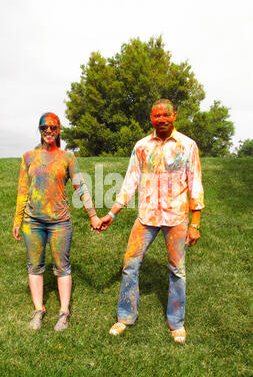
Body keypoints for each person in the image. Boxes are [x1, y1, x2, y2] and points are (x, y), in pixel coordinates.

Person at [98, 99, 204, 343]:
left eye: (166, 115)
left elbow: (195, 183)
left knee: (177, 270)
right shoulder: (141, 146)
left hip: (177, 217)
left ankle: (176, 323)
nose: (162, 119)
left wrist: (195, 223)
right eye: (157, 115)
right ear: (151, 117)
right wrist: (112, 213)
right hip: (146, 217)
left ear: (174, 116)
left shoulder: (188, 146)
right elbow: (129, 183)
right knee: (130, 264)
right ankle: (125, 317)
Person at [12, 112, 100, 331]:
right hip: (32, 222)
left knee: (62, 267)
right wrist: (17, 220)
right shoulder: (28, 157)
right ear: (40, 130)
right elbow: (23, 190)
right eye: (44, 128)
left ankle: (63, 312)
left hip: (60, 222)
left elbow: (80, 186)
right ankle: (39, 309)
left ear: (59, 129)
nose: (48, 131)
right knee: (34, 266)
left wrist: (93, 215)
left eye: (52, 127)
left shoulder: (67, 158)